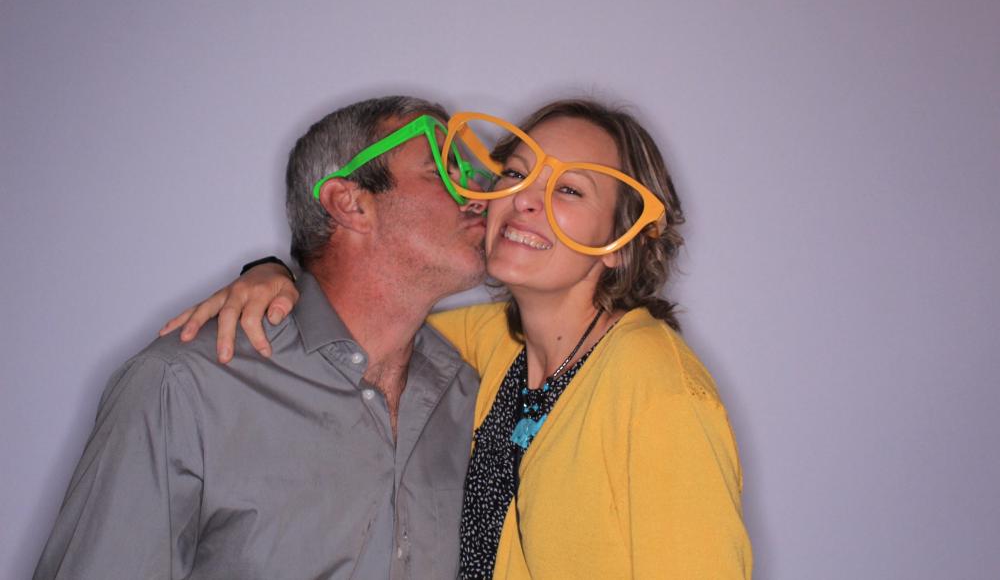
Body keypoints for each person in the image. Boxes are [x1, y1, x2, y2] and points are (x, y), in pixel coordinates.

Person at [166, 99, 753, 578]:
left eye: (570, 190)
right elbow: (355, 319)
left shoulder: (661, 394)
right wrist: (271, 276)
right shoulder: (490, 345)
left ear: (622, 243)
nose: (526, 199)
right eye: (516, 173)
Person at [34, 96, 487, 580]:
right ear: (350, 203)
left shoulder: (472, 393)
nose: (478, 196)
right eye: (441, 171)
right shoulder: (185, 388)